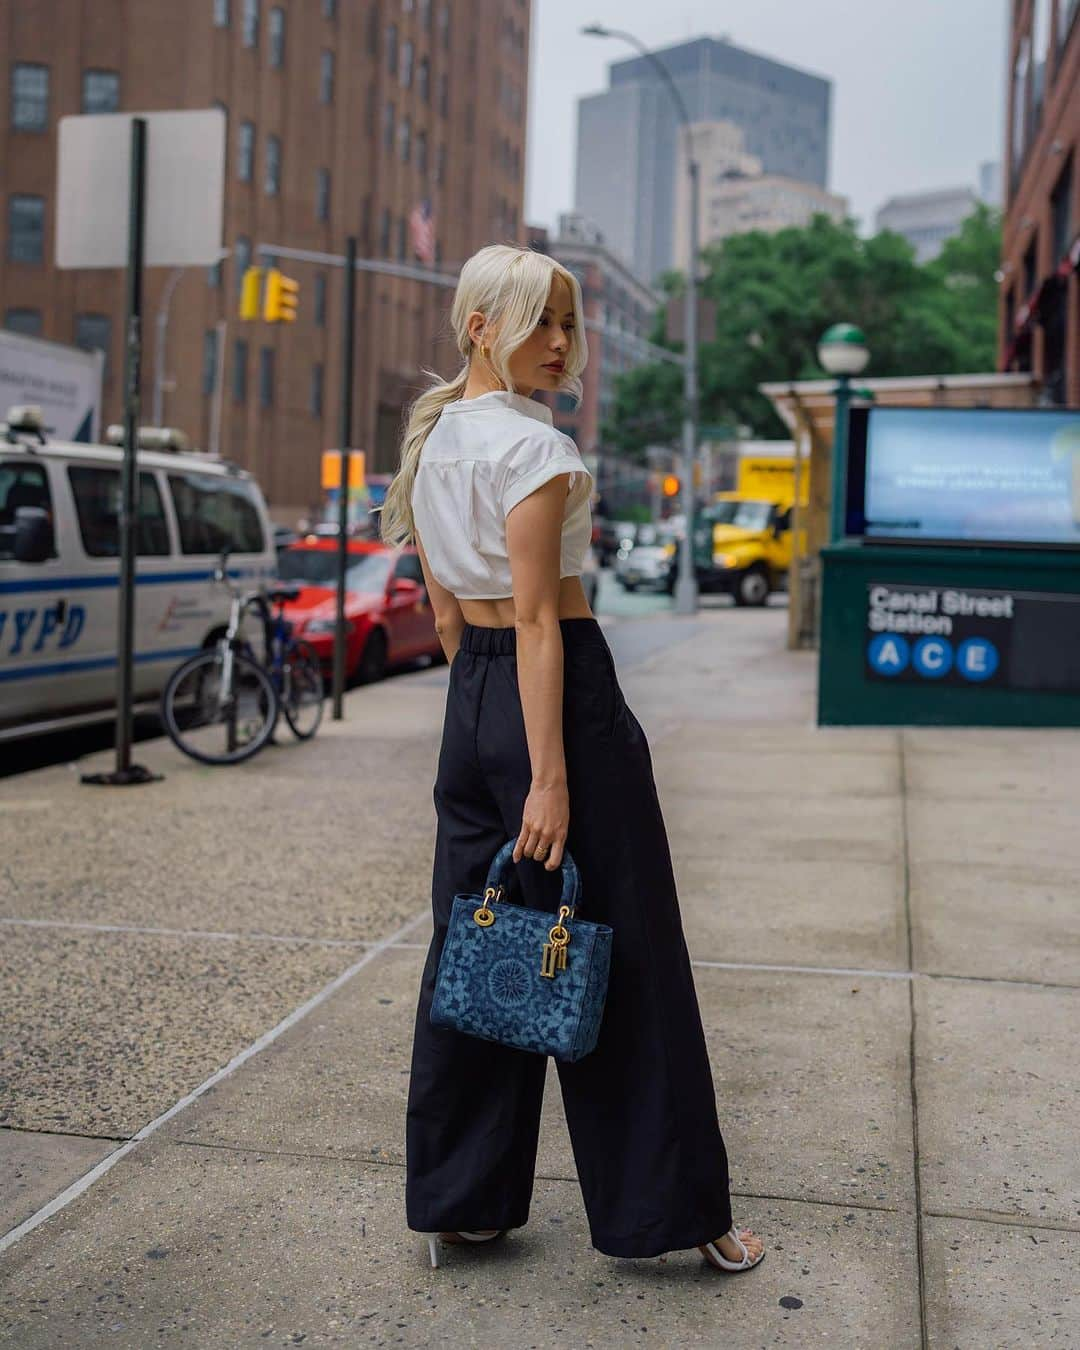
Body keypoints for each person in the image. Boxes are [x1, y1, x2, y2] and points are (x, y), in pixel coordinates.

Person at [378, 243, 765, 1276]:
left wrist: (489, 729)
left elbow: (452, 616)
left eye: (567, 322)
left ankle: (464, 1200)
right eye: (540, 321)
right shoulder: (534, 451)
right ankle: (674, 1212)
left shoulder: (433, 444)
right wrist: (548, 775)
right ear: (480, 326)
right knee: (625, 946)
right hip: (564, 704)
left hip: (477, 706)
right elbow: (543, 619)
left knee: (479, 941)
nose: (561, 344)